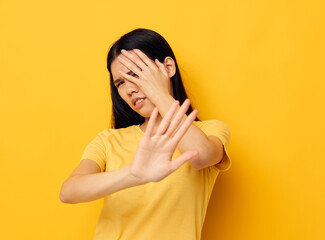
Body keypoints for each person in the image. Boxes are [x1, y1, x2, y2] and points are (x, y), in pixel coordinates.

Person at [59, 28, 231, 240]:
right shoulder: (109, 140)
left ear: (168, 67)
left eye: (136, 73)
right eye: (120, 83)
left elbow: (201, 156)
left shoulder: (208, 131)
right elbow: (68, 192)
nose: (129, 89)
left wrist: (160, 94)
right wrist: (134, 174)